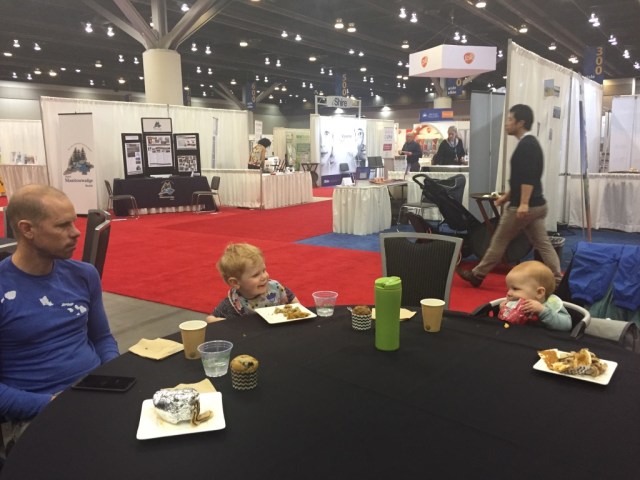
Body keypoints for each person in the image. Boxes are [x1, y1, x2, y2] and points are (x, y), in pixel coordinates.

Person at [0, 185, 119, 457]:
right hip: (33, 414)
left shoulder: (84, 274)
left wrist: (113, 375)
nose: (76, 232)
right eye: (63, 225)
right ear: (27, 230)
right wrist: (49, 403)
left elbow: (102, 338)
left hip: (94, 393)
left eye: (74, 222)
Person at [457, 104, 562, 287]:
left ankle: (478, 274)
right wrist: (507, 196)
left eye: (510, 119)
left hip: (525, 206)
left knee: (499, 240)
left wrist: (523, 203)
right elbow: (521, 178)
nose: (507, 123)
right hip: (537, 205)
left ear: (521, 123)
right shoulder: (529, 144)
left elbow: (528, 178)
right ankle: (558, 279)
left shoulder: (527, 146)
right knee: (542, 243)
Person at [208, 243, 299, 320]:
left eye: (264, 270)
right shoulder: (232, 304)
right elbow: (210, 319)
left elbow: (294, 302)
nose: (264, 276)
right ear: (235, 282)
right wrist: (227, 324)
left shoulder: (274, 288)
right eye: (256, 275)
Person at [497, 261, 571, 331]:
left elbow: (567, 325)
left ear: (539, 292)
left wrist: (543, 311)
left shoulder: (552, 304)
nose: (508, 293)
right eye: (508, 289)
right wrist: (504, 310)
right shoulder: (514, 302)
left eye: (515, 289)